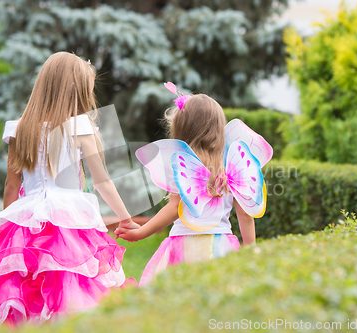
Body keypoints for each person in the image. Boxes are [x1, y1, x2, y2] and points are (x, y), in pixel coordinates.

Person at [0, 52, 138, 332]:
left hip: (29, 217)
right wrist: (126, 217)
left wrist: (9, 229)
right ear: (75, 91)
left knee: (28, 287)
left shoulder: (19, 129)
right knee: (72, 282)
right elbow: (102, 181)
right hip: (70, 219)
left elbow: (12, 185)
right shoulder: (81, 126)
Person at [116, 83, 273, 286]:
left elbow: (174, 208)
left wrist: (141, 232)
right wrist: (251, 250)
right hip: (221, 244)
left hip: (184, 244)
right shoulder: (231, 165)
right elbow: (245, 214)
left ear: (181, 130)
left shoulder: (182, 164)